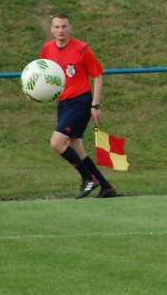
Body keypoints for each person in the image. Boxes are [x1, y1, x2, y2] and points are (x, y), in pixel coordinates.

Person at [39, 14, 117, 199]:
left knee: (57, 142)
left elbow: (97, 75)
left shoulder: (82, 49)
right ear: (51, 29)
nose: (61, 31)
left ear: (70, 28)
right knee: (77, 148)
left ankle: (88, 178)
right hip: (63, 103)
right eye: (57, 27)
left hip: (81, 102)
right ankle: (107, 187)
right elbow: (43, 74)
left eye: (64, 26)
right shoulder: (47, 49)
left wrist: (95, 104)